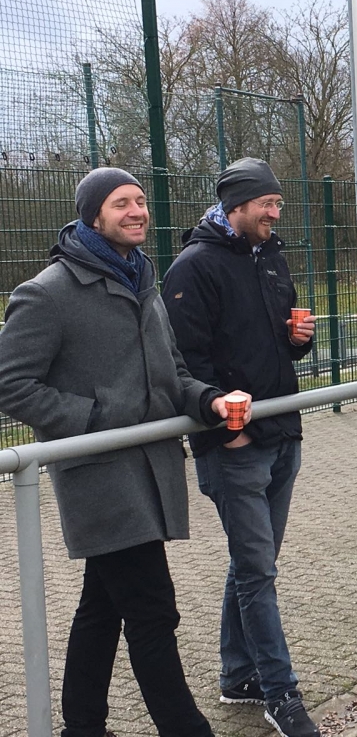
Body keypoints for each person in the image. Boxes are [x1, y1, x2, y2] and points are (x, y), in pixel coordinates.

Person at [0, 168, 249, 737]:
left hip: (150, 469)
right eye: (121, 203)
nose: (137, 211)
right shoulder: (47, 293)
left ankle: (82, 726)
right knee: (152, 610)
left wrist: (208, 399)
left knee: (102, 606)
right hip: (100, 479)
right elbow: (11, 385)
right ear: (94, 216)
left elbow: (173, 372)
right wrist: (93, 421)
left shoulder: (143, 282)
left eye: (140, 201)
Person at [162, 158, 320, 737]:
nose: (276, 213)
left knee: (254, 564)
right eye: (267, 204)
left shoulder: (271, 255)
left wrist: (296, 340)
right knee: (258, 572)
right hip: (234, 446)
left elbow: (275, 345)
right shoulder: (193, 267)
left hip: (282, 432)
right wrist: (229, 430)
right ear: (236, 207)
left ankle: (237, 675)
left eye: (278, 203)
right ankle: (281, 693)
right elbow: (185, 364)